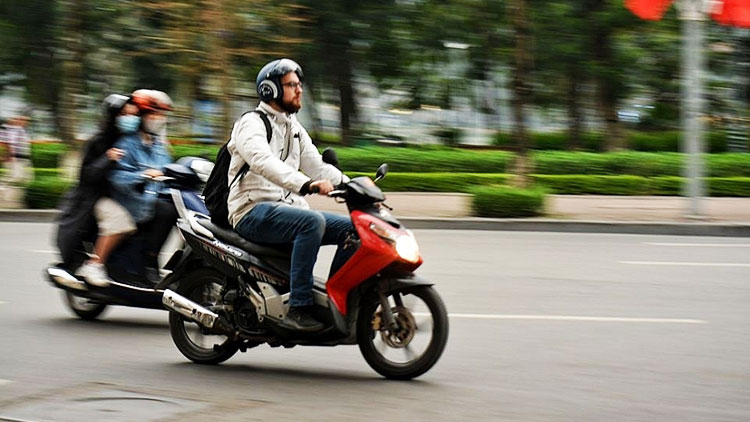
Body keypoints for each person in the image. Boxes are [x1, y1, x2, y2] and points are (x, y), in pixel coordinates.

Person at [227, 58, 352, 332]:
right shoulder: (251, 123)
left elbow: (317, 165)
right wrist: (306, 184)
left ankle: (335, 300)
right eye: (291, 85)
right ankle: (299, 307)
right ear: (270, 90)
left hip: (284, 208)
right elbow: (262, 161)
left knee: (352, 230)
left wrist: (354, 187)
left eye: (299, 84)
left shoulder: (293, 127)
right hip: (251, 210)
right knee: (312, 223)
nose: (299, 90)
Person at [57, 94, 139, 286]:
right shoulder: (99, 140)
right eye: (125, 114)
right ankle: (94, 264)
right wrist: (107, 158)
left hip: (126, 195)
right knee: (120, 221)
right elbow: (86, 176)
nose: (131, 119)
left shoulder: (134, 140)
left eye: (134, 115)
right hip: (97, 197)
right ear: (113, 116)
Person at [109, 89, 176, 283]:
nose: (158, 119)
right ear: (142, 117)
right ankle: (150, 261)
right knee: (166, 211)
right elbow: (117, 178)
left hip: (151, 200)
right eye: (153, 114)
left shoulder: (159, 146)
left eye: (161, 114)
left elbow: (168, 172)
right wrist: (143, 175)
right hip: (132, 202)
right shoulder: (126, 144)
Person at [1, 114, 32, 185]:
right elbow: (8, 144)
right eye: (22, 120)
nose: (26, 122)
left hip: (24, 158)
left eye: (26, 121)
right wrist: (10, 156)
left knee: (25, 179)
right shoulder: (13, 129)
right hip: (16, 158)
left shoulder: (21, 130)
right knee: (14, 178)